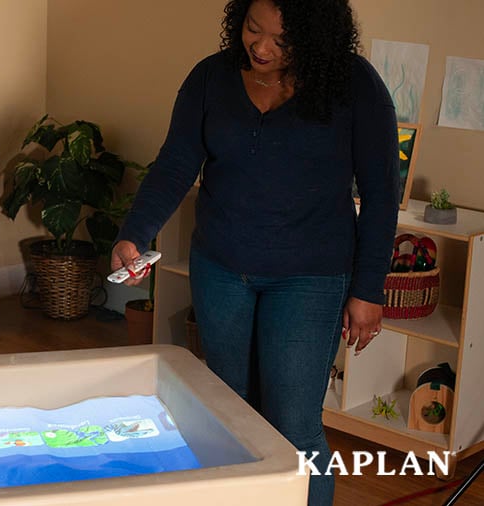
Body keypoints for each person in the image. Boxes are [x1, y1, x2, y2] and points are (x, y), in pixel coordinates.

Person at [111, 1, 399, 504]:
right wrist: (135, 234)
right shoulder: (211, 77)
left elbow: (381, 194)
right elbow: (175, 165)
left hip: (312, 278)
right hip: (221, 269)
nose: (261, 48)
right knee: (229, 413)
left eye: (282, 41)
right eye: (252, 29)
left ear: (315, 37)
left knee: (293, 425)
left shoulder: (355, 87)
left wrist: (368, 288)